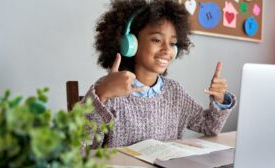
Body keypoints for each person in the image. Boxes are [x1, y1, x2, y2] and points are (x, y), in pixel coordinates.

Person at [81, 0, 236, 149]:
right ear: (131, 43)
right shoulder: (110, 88)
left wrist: (220, 99)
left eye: (172, 43)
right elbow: (79, 143)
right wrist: (101, 93)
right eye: (156, 40)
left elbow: (210, 127)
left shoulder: (175, 92)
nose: (167, 50)